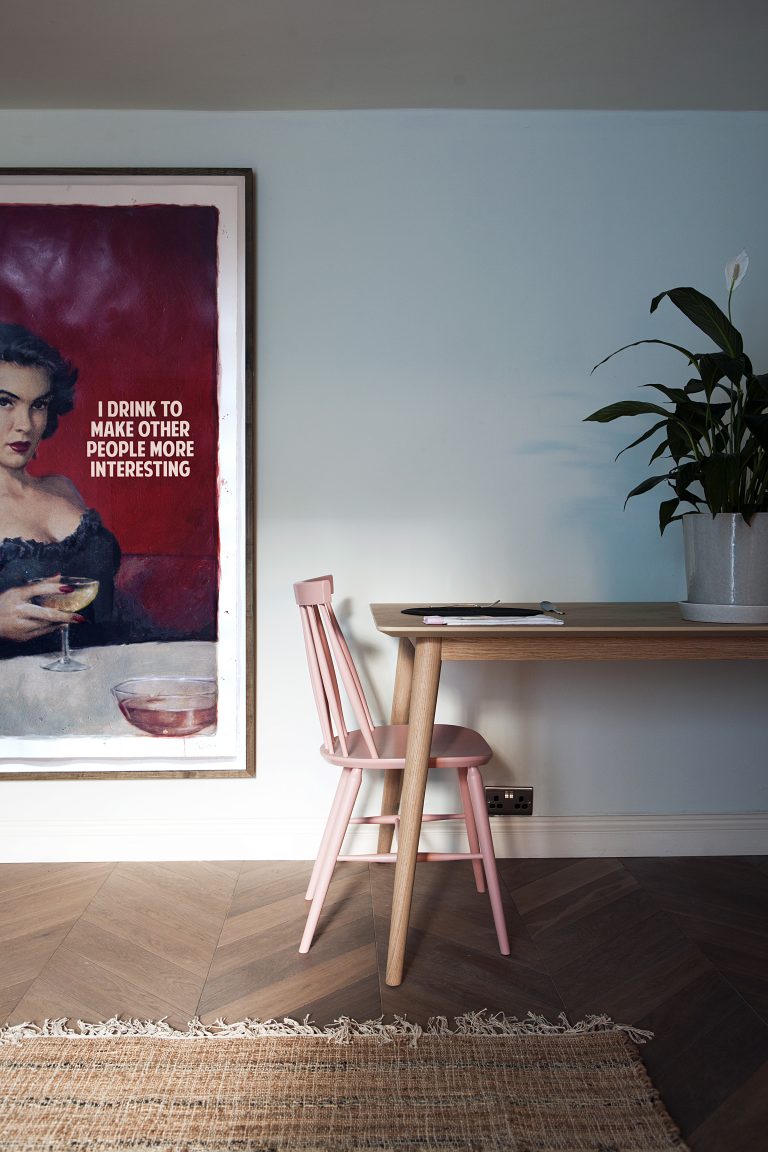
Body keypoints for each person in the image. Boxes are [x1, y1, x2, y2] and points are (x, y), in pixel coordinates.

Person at [0, 323, 121, 658]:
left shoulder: (61, 486)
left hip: (104, 666)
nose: (25, 423)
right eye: (4, 402)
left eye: (38, 404)